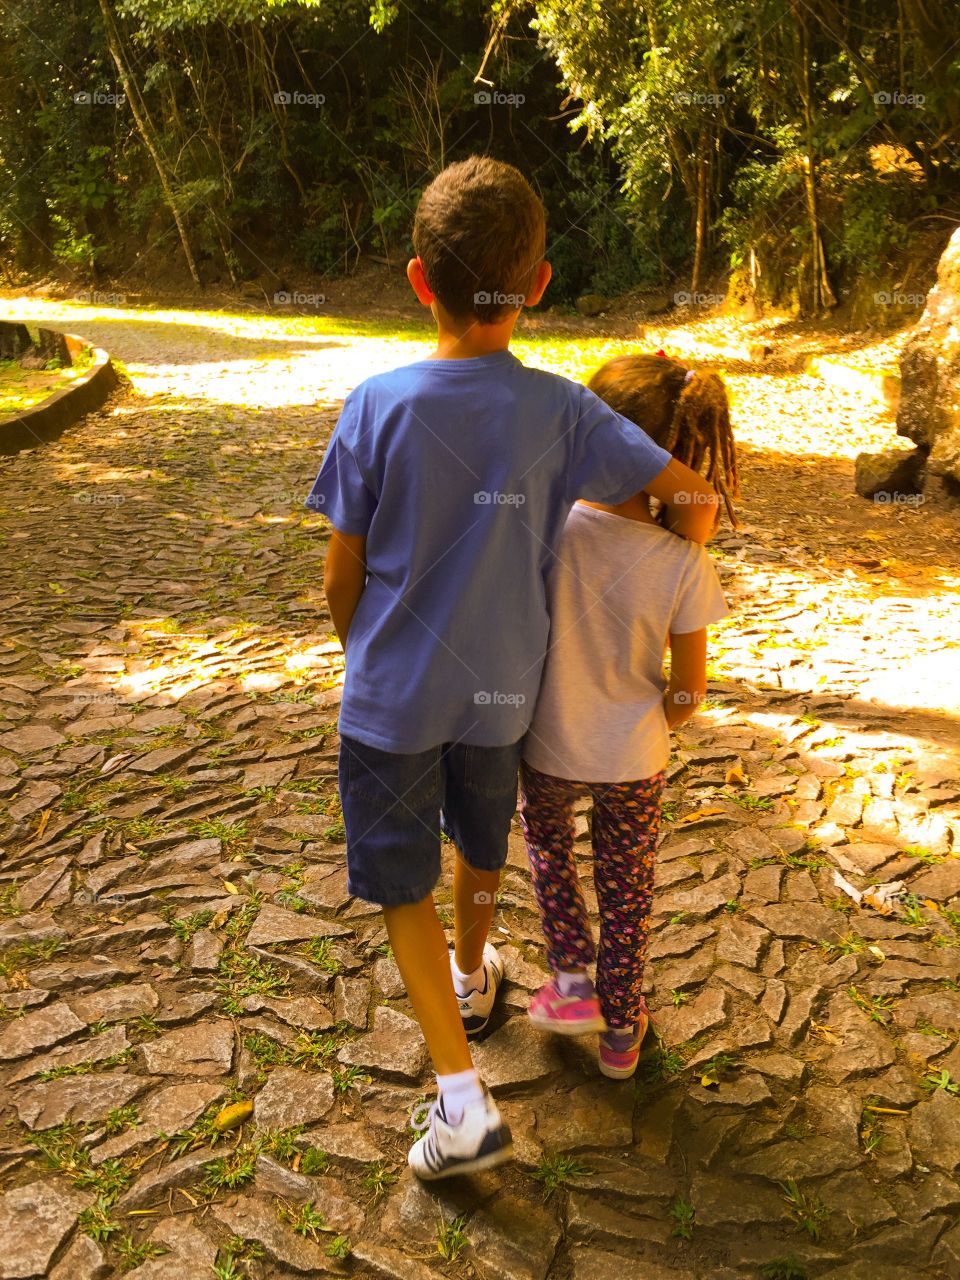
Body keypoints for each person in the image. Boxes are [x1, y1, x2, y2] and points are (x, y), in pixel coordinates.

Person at [306, 158, 720, 1179]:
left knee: (403, 879)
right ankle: (474, 966)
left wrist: (365, 649)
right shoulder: (561, 412)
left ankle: (460, 1098)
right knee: (480, 837)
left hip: (396, 694)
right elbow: (689, 494)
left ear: (417, 279)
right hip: (503, 695)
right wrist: (660, 565)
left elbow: (340, 577)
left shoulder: (376, 404)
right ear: (536, 286)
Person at [520, 352, 737, 1080]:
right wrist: (656, 723)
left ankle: (571, 982)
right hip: (634, 758)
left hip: (544, 744)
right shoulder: (681, 562)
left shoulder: (543, 530)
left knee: (549, 851)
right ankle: (621, 1033)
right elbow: (688, 691)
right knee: (627, 887)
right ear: (681, 454)